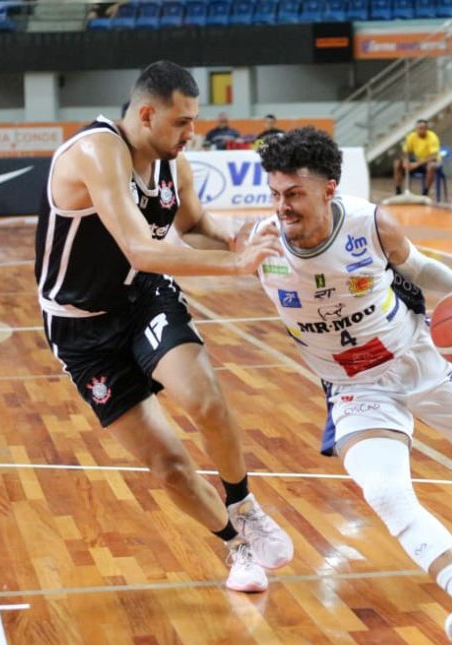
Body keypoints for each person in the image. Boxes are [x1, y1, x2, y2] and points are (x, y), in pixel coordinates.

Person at [254, 127, 452, 645]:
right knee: (386, 493)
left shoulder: (370, 222)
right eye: (274, 193)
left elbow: (419, 268)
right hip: (352, 387)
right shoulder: (261, 243)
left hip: (419, 359)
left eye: (293, 194)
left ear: (329, 189)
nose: (282, 207)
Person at [35, 61, 294, 594]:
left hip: (143, 298)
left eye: (194, 120)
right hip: (81, 328)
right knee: (169, 463)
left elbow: (192, 225)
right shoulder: (96, 152)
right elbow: (140, 247)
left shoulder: (176, 165)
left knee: (205, 399)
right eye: (181, 122)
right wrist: (235, 267)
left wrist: (232, 240)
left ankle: (243, 502)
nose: (191, 133)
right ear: (147, 113)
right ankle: (234, 545)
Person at [393, 119, 441, 195]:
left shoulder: (432, 137)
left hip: (429, 161)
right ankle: (398, 190)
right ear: (416, 129)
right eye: (419, 128)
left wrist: (416, 164)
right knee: (397, 163)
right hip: (417, 160)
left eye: (423, 128)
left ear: (426, 129)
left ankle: (425, 192)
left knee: (431, 166)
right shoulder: (412, 136)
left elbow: (433, 156)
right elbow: (405, 151)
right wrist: (405, 161)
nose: (421, 130)